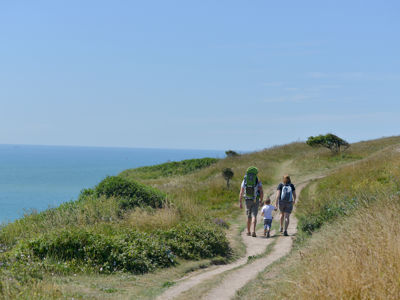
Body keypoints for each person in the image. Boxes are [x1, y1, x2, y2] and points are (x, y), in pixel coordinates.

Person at [239, 167, 263, 237]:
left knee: (248, 216)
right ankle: (253, 231)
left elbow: (241, 192)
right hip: (255, 199)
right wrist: (261, 200)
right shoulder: (258, 180)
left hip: (247, 200)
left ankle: (248, 231)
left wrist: (240, 202)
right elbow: (261, 191)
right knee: (254, 216)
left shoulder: (245, 180)